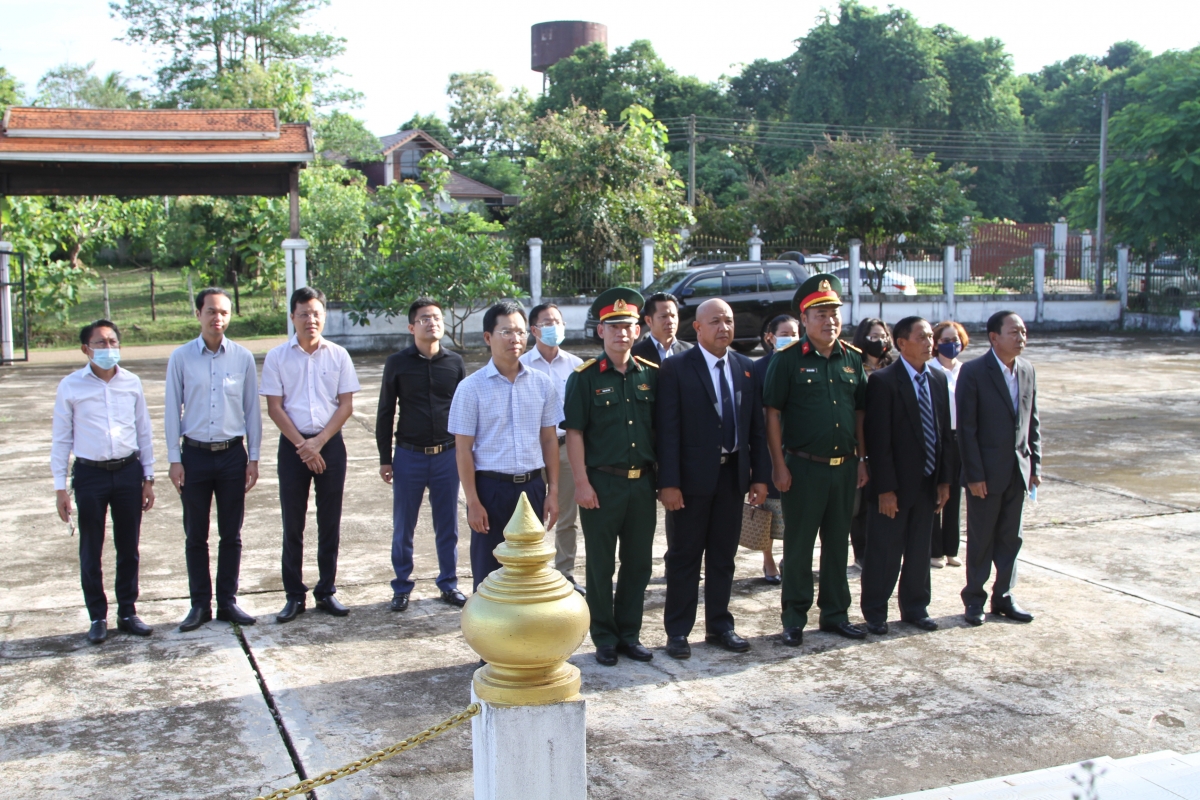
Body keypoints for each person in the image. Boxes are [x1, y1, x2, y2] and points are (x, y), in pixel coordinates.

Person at [657, 299, 770, 658]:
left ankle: (721, 625)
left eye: (729, 321)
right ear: (699, 328)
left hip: (732, 477)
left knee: (723, 556)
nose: (724, 328)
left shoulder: (745, 367)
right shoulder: (676, 368)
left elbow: (756, 427)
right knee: (684, 556)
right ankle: (678, 631)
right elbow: (667, 431)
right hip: (689, 483)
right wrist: (669, 483)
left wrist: (759, 477)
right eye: (716, 322)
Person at [763, 274, 869, 646]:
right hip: (802, 468)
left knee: (838, 544)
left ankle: (835, 614)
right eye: (820, 314)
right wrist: (778, 465)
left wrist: (862, 457)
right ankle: (794, 617)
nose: (830, 321)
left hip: (843, 468)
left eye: (834, 313)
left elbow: (859, 413)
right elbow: (772, 412)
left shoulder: (852, 360)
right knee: (799, 546)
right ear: (804, 320)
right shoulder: (788, 360)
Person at [562, 288, 658, 667]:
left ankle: (629, 633)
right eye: (613, 326)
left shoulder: (651, 376)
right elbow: (575, 433)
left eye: (628, 326)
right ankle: (603, 635)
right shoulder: (584, 378)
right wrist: (582, 483)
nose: (621, 333)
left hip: (642, 483)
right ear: (600, 331)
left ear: (638, 330)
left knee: (639, 562)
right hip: (602, 484)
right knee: (601, 564)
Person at [51, 320, 156, 643]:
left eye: (113, 342)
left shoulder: (132, 383)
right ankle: (97, 616)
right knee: (91, 548)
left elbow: (144, 431)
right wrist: (60, 488)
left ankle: (128, 611)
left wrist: (148, 477)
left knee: (129, 546)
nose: (108, 349)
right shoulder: (71, 386)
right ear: (86, 349)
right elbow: (61, 440)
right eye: (100, 343)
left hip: (127, 471)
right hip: (90, 474)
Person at [261, 287, 361, 623]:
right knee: (293, 522)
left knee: (329, 521)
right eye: (303, 313)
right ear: (292, 317)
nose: (311, 319)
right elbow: (275, 408)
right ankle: (293, 595)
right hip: (293, 447)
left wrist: (318, 442)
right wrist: (304, 447)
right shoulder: (277, 357)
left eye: (316, 313)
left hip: (330, 443)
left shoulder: (338, 355)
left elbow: (346, 405)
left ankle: (326, 590)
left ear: (324, 316)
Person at [165, 287, 262, 632]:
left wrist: (255, 458)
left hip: (232, 455)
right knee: (195, 534)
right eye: (210, 311)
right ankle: (199, 605)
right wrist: (174, 459)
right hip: (194, 456)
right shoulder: (180, 358)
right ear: (198, 314)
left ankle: (227, 601)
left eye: (223, 312)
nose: (217, 318)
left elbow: (252, 411)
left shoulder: (243, 358)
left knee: (231, 534)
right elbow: (170, 411)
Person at [449, 301, 561, 592]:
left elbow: (549, 439)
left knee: (529, 571)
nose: (516, 339)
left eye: (521, 332)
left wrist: (553, 492)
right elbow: (463, 449)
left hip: (533, 489)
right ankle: (487, 631)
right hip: (491, 490)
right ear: (488, 337)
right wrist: (473, 501)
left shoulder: (541, 383)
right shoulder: (471, 388)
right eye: (507, 332)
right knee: (489, 573)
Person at [860, 316, 953, 635]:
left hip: (927, 483)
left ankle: (915, 607)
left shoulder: (938, 380)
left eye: (932, 337)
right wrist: (885, 489)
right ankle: (875, 611)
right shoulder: (884, 382)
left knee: (918, 551)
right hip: (894, 487)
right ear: (902, 343)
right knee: (884, 552)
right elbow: (878, 440)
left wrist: (944, 480)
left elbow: (944, 435)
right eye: (923, 337)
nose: (931, 342)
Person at [376, 298, 467, 613]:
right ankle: (401, 586)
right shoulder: (397, 363)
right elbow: (385, 412)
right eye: (425, 318)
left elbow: (465, 413)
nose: (433, 322)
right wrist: (384, 458)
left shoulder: (455, 363)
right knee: (404, 524)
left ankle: (449, 584)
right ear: (412, 326)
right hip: (409, 456)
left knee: (448, 524)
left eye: (437, 317)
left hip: (447, 455)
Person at [957, 310, 1040, 626]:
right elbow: (967, 429)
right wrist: (974, 475)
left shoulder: (1027, 370)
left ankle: (1003, 596)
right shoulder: (975, 372)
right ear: (994, 337)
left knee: (1010, 538)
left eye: (1023, 331)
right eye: (1014, 332)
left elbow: (1032, 421)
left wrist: (1035, 465)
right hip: (985, 475)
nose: (1021, 337)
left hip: (1017, 471)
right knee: (981, 539)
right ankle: (974, 599)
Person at [520, 302, 586, 595]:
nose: (555, 327)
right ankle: (528, 575)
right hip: (531, 452)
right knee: (529, 517)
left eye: (558, 321)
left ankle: (565, 574)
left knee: (566, 517)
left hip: (566, 448)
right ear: (534, 330)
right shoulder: (521, 365)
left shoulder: (576, 365)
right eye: (548, 322)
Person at [752, 314, 800, 584]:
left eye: (795, 332)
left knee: (796, 509)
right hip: (768, 448)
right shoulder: (757, 368)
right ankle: (768, 560)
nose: (791, 338)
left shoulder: (803, 362)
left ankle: (790, 557)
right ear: (770, 337)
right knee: (769, 508)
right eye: (785, 333)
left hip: (798, 446)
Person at [849, 318, 894, 567]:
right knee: (861, 504)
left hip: (888, 444)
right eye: (873, 337)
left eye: (883, 336)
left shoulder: (892, 367)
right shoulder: (854, 367)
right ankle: (861, 551)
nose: (879, 342)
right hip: (861, 443)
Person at [929, 320, 969, 569]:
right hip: (938, 437)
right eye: (945, 341)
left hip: (960, 438)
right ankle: (934, 550)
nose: (951, 345)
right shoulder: (931, 370)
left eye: (955, 340)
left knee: (955, 493)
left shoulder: (966, 371)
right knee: (936, 494)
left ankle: (951, 547)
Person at [630, 292, 692, 365]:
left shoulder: (690, 351)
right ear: (649, 321)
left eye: (673, 316)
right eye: (663, 316)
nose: (670, 321)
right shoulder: (634, 354)